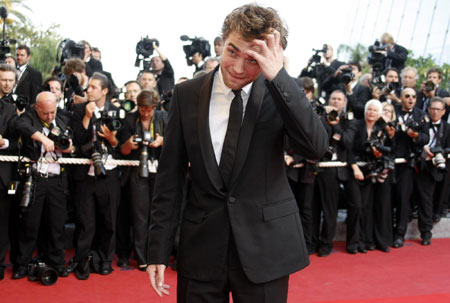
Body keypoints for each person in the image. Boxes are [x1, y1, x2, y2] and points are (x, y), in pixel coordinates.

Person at [146, 4, 328, 302]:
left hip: (266, 249)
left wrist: (279, 77)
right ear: (222, 42)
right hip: (201, 248)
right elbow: (169, 178)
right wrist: (157, 249)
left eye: (253, 59)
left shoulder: (280, 92)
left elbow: (316, 147)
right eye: (232, 51)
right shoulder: (186, 94)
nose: (239, 68)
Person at [13, 92, 74, 279]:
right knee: (29, 224)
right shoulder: (29, 117)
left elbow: (74, 144)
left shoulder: (62, 117)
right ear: (37, 108)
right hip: (35, 179)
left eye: (52, 112)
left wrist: (69, 147)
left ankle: (57, 262)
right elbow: (19, 125)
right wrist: (42, 137)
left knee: (56, 225)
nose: (50, 117)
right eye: (45, 113)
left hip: (57, 180)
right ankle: (22, 264)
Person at [70, 72, 122, 279]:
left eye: (93, 87)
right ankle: (82, 260)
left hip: (109, 175)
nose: (88, 90)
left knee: (108, 220)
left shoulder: (117, 111)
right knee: (85, 221)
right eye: (88, 87)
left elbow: (122, 147)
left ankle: (105, 260)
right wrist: (86, 116)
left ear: (105, 91)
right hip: (85, 174)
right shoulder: (78, 109)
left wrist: (112, 138)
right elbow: (78, 141)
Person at [118, 89, 167, 270]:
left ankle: (157, 255)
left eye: (149, 109)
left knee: (158, 214)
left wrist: (163, 141)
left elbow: (177, 142)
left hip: (159, 171)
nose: (146, 113)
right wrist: (129, 145)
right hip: (136, 170)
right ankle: (141, 257)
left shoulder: (163, 118)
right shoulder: (130, 120)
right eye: (142, 109)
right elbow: (121, 151)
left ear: (155, 107)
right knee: (139, 215)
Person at [314, 90, 361, 256]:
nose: (336, 101)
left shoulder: (350, 121)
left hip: (347, 167)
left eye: (339, 99)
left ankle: (353, 243)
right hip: (327, 168)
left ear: (345, 102)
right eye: (333, 98)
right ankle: (326, 245)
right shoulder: (320, 118)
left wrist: (335, 125)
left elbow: (348, 142)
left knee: (356, 204)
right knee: (329, 209)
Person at [349, 99, 395, 252]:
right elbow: (347, 149)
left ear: (379, 113)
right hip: (354, 170)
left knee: (367, 208)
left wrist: (378, 153)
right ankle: (353, 243)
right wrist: (355, 168)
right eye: (369, 109)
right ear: (365, 111)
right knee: (356, 206)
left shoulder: (381, 129)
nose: (371, 113)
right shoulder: (356, 125)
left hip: (371, 173)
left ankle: (365, 241)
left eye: (375, 110)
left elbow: (389, 150)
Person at [392, 88, 429, 248]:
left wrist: (416, 136)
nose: (411, 99)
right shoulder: (394, 112)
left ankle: (426, 233)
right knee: (402, 198)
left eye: (414, 96)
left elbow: (426, 137)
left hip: (420, 163)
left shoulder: (421, 114)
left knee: (424, 199)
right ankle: (399, 235)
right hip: (401, 163)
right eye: (407, 96)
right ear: (401, 98)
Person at [415, 97, 450, 245]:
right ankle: (426, 232)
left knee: (440, 196)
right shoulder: (422, 125)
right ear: (428, 110)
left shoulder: (448, 128)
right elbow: (414, 144)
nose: (435, 112)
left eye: (438, 109)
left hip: (443, 166)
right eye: (432, 109)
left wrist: (441, 154)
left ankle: (437, 214)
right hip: (423, 166)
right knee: (425, 200)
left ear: (443, 112)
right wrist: (424, 151)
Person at [0, 89, 18, 280]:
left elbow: (17, 142)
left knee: (2, 222)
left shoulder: (10, 110)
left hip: (3, 175)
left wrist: (3, 141)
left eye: (9, 80)